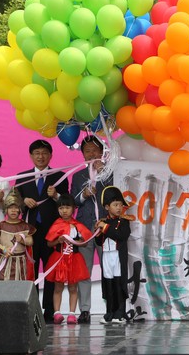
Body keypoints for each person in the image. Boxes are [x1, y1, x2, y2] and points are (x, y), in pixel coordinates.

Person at [16, 139, 69, 322]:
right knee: (30, 271)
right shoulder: (22, 177)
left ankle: (48, 310)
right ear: (31, 156)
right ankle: (30, 309)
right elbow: (15, 205)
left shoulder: (60, 176)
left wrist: (56, 196)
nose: (41, 156)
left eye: (44, 153)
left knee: (50, 271)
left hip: (52, 234)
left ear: (51, 155)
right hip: (29, 233)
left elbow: (67, 204)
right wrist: (24, 203)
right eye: (37, 153)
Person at [71, 136, 112, 324]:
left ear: (102, 152)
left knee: (109, 271)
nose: (92, 154)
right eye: (87, 151)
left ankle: (111, 308)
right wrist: (83, 194)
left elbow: (117, 196)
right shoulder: (78, 176)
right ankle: (85, 310)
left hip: (106, 229)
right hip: (85, 229)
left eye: (95, 150)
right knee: (84, 272)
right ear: (83, 155)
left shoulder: (112, 172)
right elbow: (73, 201)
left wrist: (104, 175)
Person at [45, 194, 93, 325]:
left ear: (73, 209)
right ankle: (57, 313)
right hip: (59, 259)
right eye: (61, 208)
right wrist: (58, 240)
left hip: (74, 260)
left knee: (73, 288)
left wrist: (77, 241)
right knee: (58, 287)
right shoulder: (56, 224)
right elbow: (49, 243)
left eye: (67, 207)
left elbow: (85, 242)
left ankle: (72, 314)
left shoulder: (78, 225)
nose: (64, 211)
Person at [95, 186, 132, 325]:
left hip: (117, 256)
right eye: (115, 205)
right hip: (106, 256)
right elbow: (99, 242)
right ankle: (109, 312)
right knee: (108, 284)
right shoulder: (104, 221)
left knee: (118, 284)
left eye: (120, 205)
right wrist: (98, 232)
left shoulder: (124, 222)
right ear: (106, 206)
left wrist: (104, 228)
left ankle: (120, 312)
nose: (119, 208)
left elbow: (120, 235)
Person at [0, 190, 36, 281]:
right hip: (5, 260)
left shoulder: (25, 226)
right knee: (3, 285)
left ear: (20, 210)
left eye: (16, 207)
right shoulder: (0, 226)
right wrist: (4, 249)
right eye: (10, 208)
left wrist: (22, 240)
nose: (13, 210)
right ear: (6, 209)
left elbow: (30, 241)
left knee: (20, 285)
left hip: (21, 262)